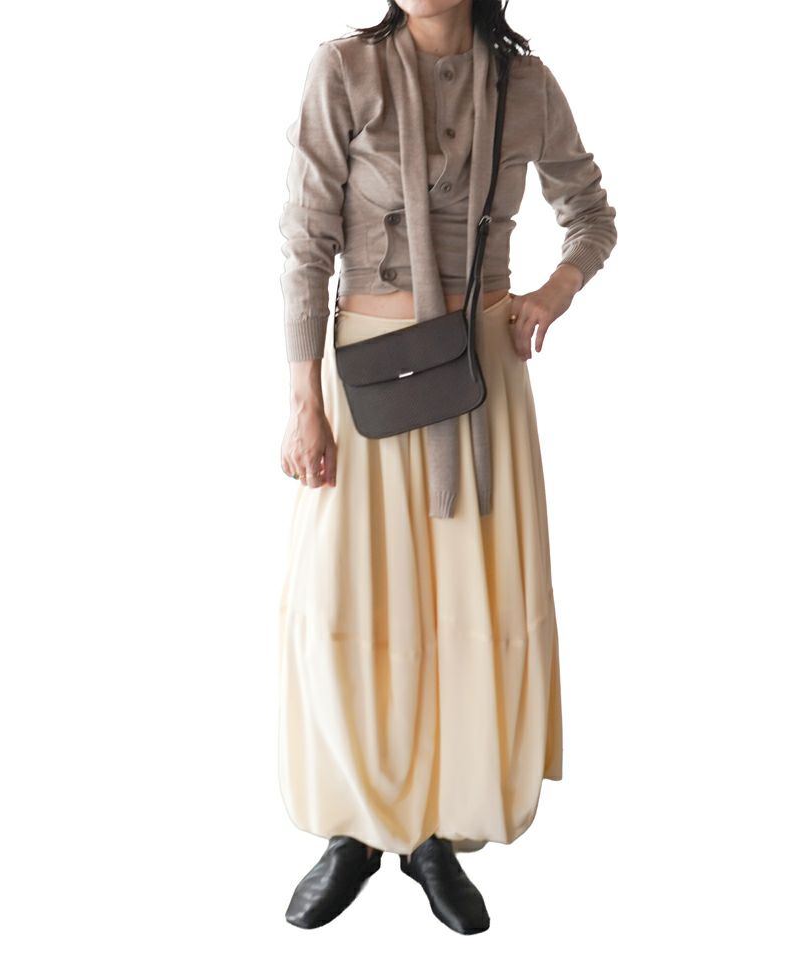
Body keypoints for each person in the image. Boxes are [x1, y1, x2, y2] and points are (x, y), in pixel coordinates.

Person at [277, 0, 617, 935]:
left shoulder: (527, 84)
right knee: (352, 598)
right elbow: (305, 240)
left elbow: (590, 213)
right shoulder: (341, 70)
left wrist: (553, 291)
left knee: (467, 603)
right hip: (368, 377)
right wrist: (304, 401)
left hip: (480, 374)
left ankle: (437, 833)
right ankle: (356, 827)